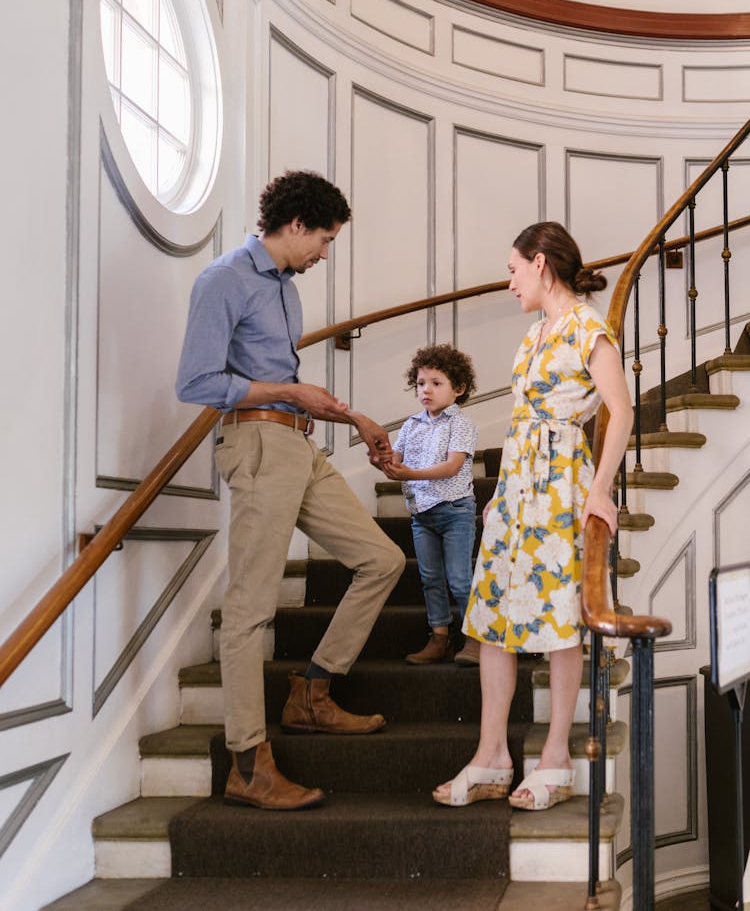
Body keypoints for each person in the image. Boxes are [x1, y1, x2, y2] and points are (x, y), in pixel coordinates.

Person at [176, 170, 406, 811]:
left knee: (382, 560)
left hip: (298, 443)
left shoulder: (284, 290)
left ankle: (312, 692)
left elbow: (288, 384)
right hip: (255, 444)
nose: (325, 254)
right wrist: (288, 394)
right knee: (250, 608)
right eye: (325, 240)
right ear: (296, 226)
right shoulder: (224, 279)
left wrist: (352, 416)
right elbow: (196, 382)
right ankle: (248, 763)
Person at [433, 222, 633, 810]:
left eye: (513, 269)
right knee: (493, 620)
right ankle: (491, 753)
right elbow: (522, 420)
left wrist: (599, 489)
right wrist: (502, 490)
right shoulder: (534, 333)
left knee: (559, 619)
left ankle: (554, 757)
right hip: (517, 492)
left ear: (540, 263)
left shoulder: (588, 327)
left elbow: (618, 412)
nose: (510, 281)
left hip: (561, 486)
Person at [384, 345, 480, 666]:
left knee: (459, 579)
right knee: (430, 578)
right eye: (421, 382)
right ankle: (439, 637)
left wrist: (409, 473)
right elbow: (394, 459)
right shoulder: (411, 425)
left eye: (436, 383)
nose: (426, 389)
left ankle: (476, 638)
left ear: (459, 389)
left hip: (454, 511)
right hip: (421, 514)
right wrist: (384, 460)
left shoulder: (461, 424)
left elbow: (452, 467)